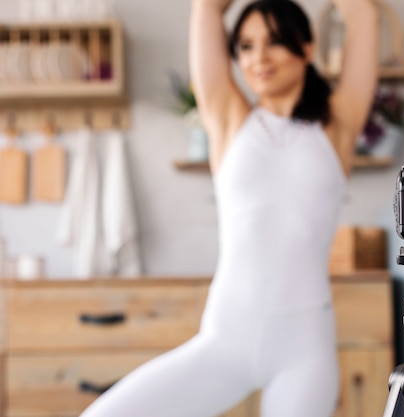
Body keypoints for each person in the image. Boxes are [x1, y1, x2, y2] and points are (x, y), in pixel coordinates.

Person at [79, 0, 379, 416]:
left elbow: (362, 15)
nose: (259, 58)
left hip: (304, 350)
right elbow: (206, 8)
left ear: (307, 48)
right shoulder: (228, 117)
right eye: (246, 46)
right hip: (227, 338)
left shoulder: (337, 125)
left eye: (274, 42)